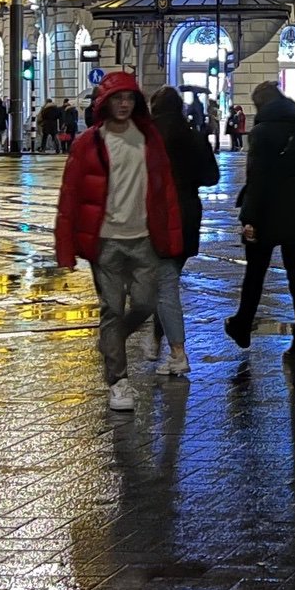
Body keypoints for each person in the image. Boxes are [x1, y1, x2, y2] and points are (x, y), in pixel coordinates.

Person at [53, 71, 186, 412]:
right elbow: (70, 197)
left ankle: (111, 340)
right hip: (106, 242)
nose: (124, 104)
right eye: (117, 99)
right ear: (105, 103)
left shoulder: (149, 137)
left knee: (144, 304)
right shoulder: (88, 143)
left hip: (143, 238)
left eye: (129, 99)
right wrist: (65, 249)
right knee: (112, 308)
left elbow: (166, 192)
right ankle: (118, 381)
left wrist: (173, 238)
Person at [224, 81, 295, 359]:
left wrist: (249, 218)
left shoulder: (260, 133)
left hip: (267, 210)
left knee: (255, 273)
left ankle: (243, 325)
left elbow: (257, 178)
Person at [148, 84, 221, 377]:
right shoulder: (194, 135)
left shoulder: (148, 137)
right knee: (167, 279)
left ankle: (173, 349)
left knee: (163, 284)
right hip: (188, 211)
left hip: (157, 213)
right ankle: (158, 337)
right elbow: (211, 177)